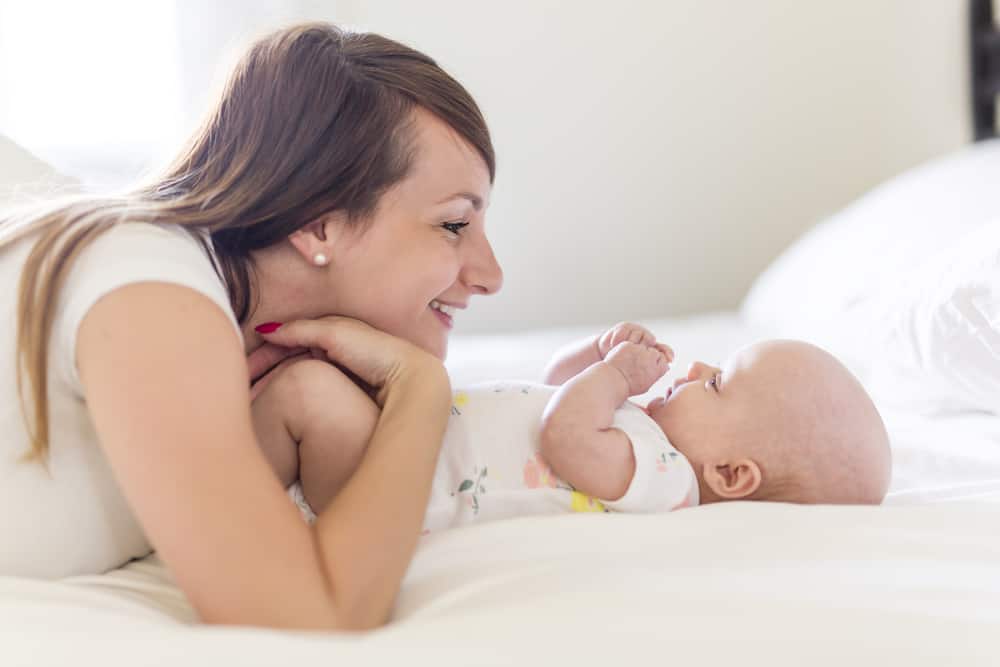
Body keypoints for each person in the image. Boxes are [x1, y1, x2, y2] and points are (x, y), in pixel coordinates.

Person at [0, 22, 502, 631]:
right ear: (320, 227)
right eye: (453, 225)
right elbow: (313, 615)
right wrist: (420, 390)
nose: (490, 274)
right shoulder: (147, 290)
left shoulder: (232, 350)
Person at [253, 322, 892, 531]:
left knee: (305, 394)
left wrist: (614, 378)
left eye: (718, 383)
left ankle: (207, 494)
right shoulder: (646, 433)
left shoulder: (662, 480)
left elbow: (565, 434)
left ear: (730, 474)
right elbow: (556, 389)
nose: (696, 367)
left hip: (395, 490)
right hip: (400, 445)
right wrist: (594, 356)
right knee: (306, 384)